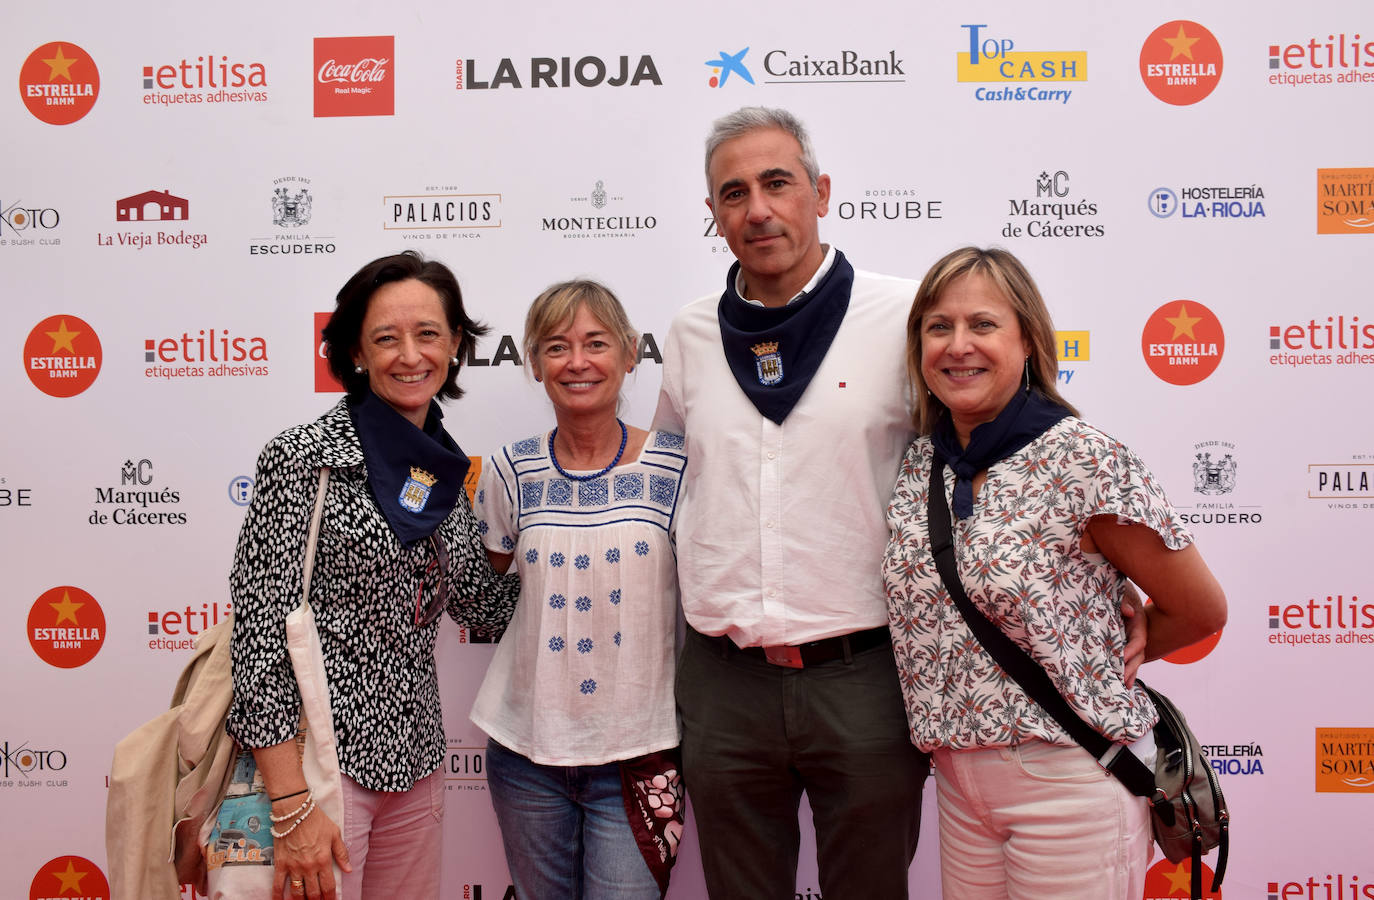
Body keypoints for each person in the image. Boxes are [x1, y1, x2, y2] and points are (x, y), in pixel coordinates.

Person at [882, 246, 1228, 899]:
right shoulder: (920, 463)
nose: (959, 345)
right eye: (938, 327)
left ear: (1029, 343)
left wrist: (1110, 649)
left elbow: (1200, 609)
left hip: (1069, 777)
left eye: (983, 325)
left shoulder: (1083, 457)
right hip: (958, 787)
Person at [652, 106, 930, 899]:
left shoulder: (906, 316)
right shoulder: (690, 333)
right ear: (713, 216)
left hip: (865, 675)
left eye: (778, 183)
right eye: (733, 194)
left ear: (821, 191)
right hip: (724, 681)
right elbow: (680, 479)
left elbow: (978, 464)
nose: (758, 209)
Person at [226, 250, 520, 900]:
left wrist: (560, 535)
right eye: (386, 338)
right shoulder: (304, 460)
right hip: (316, 773)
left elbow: (481, 607)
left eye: (428, 335)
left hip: (415, 764)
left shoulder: (443, 466)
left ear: (454, 346)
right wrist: (291, 803)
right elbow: (258, 636)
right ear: (356, 351)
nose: (409, 355)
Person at [471, 280, 688, 899]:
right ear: (535, 363)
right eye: (558, 346)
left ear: (628, 354)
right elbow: (487, 592)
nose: (578, 362)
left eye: (596, 343)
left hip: (641, 751)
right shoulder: (510, 470)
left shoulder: (676, 466)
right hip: (526, 752)